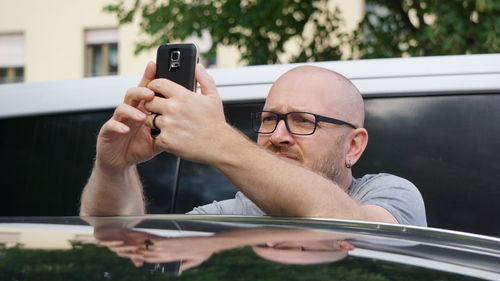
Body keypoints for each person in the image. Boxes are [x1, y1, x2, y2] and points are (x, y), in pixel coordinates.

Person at [80, 62, 426, 227]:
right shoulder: (226, 216)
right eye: (269, 119)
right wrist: (114, 167)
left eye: (304, 121)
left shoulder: (388, 195)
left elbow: (352, 229)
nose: (277, 136)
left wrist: (215, 138)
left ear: (353, 146)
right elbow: (122, 248)